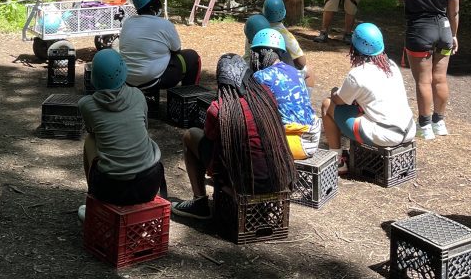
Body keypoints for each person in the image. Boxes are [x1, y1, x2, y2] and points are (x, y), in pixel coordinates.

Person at [171, 54, 296, 220]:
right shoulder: (266, 95)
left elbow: (210, 141)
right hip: (278, 179)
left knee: (191, 135)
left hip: (242, 183)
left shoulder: (219, 108)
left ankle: (199, 201)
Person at [76, 49, 166, 222]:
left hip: (111, 189)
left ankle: (94, 201)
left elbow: (93, 131)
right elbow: (145, 127)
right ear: (123, 72)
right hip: (149, 185)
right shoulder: (138, 96)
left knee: (90, 141)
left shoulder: (86, 105)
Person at [383, 0, 459, 140]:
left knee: (424, 82)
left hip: (419, 33)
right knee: (440, 78)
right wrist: (454, 35)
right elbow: (454, 13)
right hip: (443, 32)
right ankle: (439, 122)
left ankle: (425, 125)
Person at [320, 23, 416, 171]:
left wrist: (334, 91)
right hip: (408, 130)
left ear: (355, 47)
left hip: (386, 134)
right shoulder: (391, 65)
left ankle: (338, 162)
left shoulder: (358, 74)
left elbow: (338, 101)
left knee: (327, 105)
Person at [248, 29, 321, 160]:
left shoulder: (261, 76)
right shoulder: (296, 72)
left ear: (260, 53)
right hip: (312, 140)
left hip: (292, 144)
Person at [118, 0, 201, 89]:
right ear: (152, 6)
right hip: (154, 81)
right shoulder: (164, 24)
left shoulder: (127, 22)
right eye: (157, 1)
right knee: (191, 56)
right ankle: (189, 94)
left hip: (128, 79)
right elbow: (176, 50)